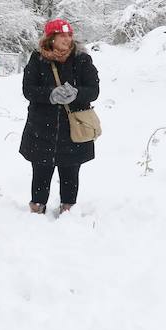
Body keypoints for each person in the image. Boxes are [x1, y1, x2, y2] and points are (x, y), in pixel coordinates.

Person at [19, 19, 99, 218]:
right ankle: (37, 207)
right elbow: (28, 90)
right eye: (62, 35)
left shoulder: (82, 59)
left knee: (71, 170)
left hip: (73, 128)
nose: (67, 39)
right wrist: (51, 94)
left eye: (69, 35)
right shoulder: (37, 59)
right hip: (41, 126)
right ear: (50, 38)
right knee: (41, 168)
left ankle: (68, 209)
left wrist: (76, 93)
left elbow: (94, 90)